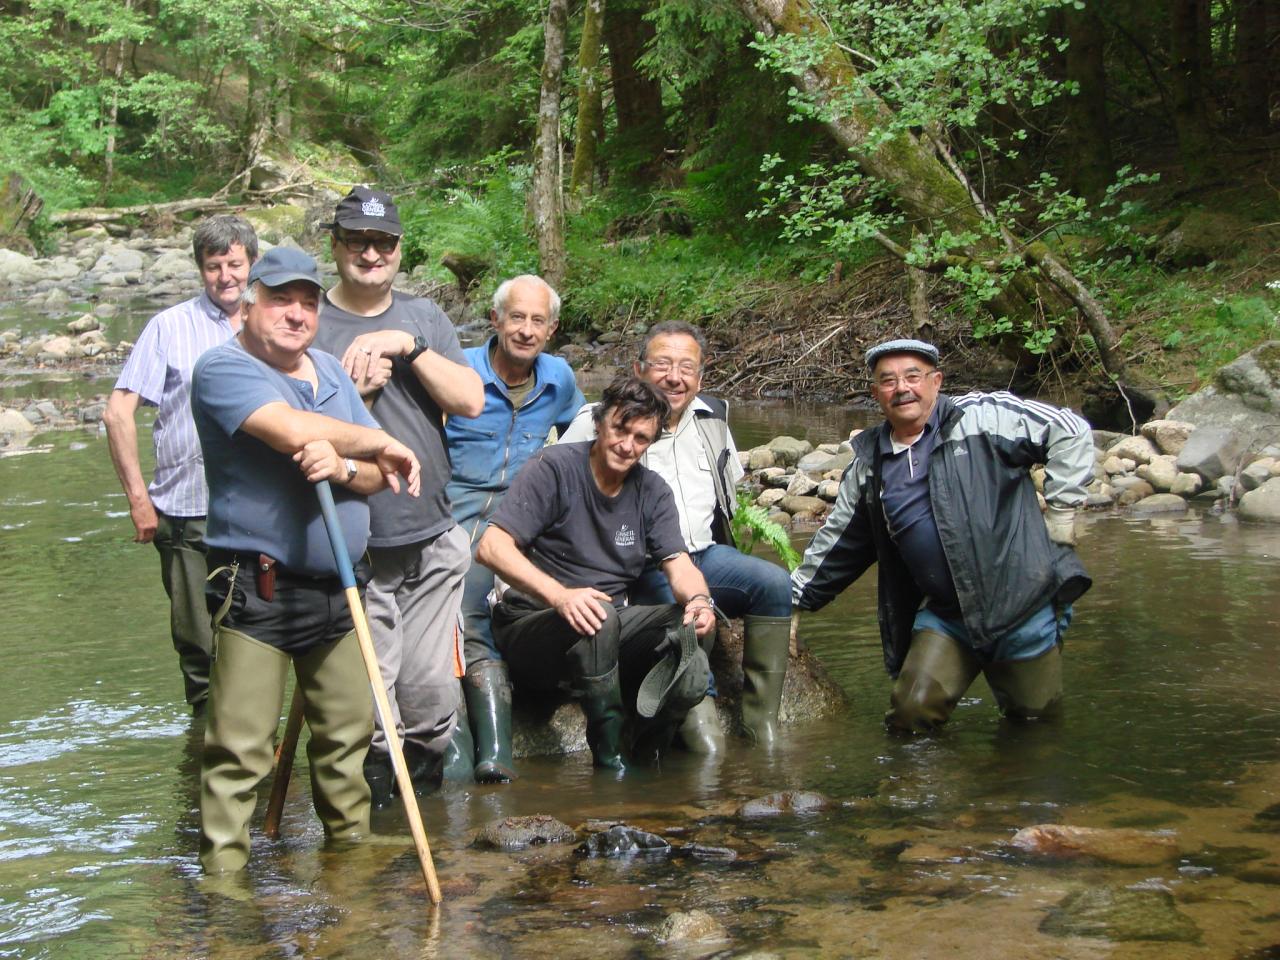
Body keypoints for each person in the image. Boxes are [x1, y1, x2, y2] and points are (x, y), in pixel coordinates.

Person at [190, 247, 421, 873]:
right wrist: (379, 440)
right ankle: (225, 886)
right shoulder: (222, 368)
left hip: (340, 590)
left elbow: (376, 478)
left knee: (345, 741)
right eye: (280, 299)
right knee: (240, 751)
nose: (296, 314)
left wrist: (347, 463)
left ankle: (349, 862)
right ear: (249, 302)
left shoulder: (328, 369)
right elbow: (290, 430)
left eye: (308, 302)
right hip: (259, 588)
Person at [790, 338, 1093, 732]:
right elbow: (840, 544)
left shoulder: (984, 417)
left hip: (1022, 604)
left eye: (913, 376)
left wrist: (1063, 514)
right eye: (888, 381)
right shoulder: (869, 465)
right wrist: (793, 601)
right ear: (874, 393)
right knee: (909, 717)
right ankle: (921, 792)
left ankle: (1014, 793)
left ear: (936, 381)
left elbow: (1070, 430)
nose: (902, 388)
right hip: (948, 617)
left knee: (1034, 729)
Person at [311, 186, 484, 806]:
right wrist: (355, 394)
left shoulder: (423, 318)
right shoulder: (310, 321)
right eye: (357, 239)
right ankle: (370, 846)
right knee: (372, 712)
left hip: (433, 537)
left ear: (399, 248)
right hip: (356, 543)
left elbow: (469, 401)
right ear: (335, 244)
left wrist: (407, 348)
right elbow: (293, 427)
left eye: (382, 241)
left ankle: (428, 826)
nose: (370, 252)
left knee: (433, 703)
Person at [560, 322, 793, 750]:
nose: (674, 377)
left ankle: (764, 728)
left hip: (703, 556)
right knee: (676, 606)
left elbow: (727, 505)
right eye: (662, 364)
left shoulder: (713, 421)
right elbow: (557, 490)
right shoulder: (601, 422)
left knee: (775, 583)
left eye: (687, 367)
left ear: (700, 378)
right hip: (640, 567)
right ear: (638, 369)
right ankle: (700, 722)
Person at [475, 377, 718, 773]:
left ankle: (651, 751)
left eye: (640, 438)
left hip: (608, 626)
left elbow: (680, 566)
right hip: (532, 624)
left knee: (690, 626)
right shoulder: (553, 468)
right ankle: (612, 762)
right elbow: (491, 547)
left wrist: (699, 602)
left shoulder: (652, 491)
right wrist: (560, 596)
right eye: (620, 429)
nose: (626, 445)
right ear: (600, 422)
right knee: (597, 615)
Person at [104, 215, 258, 714]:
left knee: (256, 640)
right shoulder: (168, 327)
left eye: (234, 264)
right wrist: (138, 501)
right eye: (214, 267)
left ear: (251, 264)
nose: (226, 276)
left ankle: (260, 748)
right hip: (186, 510)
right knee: (197, 644)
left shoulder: (274, 322)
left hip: (260, 512)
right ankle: (205, 752)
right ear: (200, 269)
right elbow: (117, 413)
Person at [444, 274, 584, 783]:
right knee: (461, 605)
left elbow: (584, 444)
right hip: (451, 515)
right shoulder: (458, 369)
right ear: (495, 320)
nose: (526, 330)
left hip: (521, 519)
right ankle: (472, 751)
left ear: (552, 328)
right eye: (517, 318)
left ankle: (493, 752)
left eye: (537, 320)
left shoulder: (559, 378)